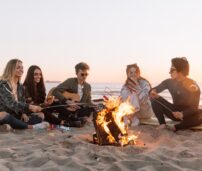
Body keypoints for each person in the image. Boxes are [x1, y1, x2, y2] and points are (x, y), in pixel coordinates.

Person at [150, 57, 202, 131]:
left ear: (180, 70)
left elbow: (194, 107)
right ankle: (162, 124)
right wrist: (153, 92)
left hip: (188, 115)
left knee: (200, 115)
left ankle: (176, 127)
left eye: (172, 70)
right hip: (173, 112)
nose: (169, 72)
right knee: (155, 100)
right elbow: (154, 90)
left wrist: (182, 114)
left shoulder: (192, 85)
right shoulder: (169, 82)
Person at [0, 59, 49, 130]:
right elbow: (11, 103)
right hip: (5, 114)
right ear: (11, 69)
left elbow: (22, 102)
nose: (21, 70)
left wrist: (23, 113)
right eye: (18, 67)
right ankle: (30, 127)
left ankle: (12, 126)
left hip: (16, 115)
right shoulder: (3, 84)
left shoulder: (20, 86)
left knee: (41, 115)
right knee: (4, 115)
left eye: (22, 68)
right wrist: (30, 106)